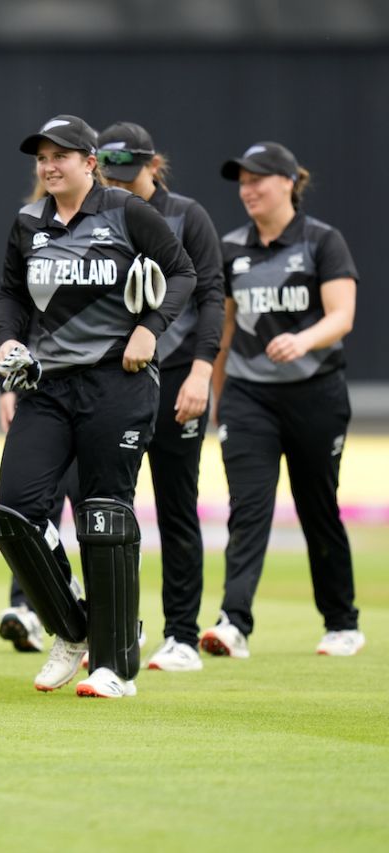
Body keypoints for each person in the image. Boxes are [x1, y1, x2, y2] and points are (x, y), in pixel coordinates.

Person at [0, 114, 195, 699]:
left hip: (116, 383)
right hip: (46, 386)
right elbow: (9, 293)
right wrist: (6, 340)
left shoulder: (127, 212)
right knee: (16, 510)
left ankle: (114, 662)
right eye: (42, 157)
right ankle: (72, 628)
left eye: (62, 156)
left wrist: (150, 328)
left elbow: (182, 272)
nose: (49, 166)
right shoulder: (28, 222)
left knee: (104, 516)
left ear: (90, 162)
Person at [203, 141, 362, 658]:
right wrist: (217, 395)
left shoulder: (322, 241)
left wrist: (304, 340)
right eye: (242, 182)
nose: (247, 190)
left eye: (258, 180)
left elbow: (342, 315)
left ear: (289, 182)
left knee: (318, 508)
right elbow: (225, 329)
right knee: (248, 508)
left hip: (316, 393)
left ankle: (342, 622)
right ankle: (234, 623)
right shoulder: (231, 247)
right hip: (250, 397)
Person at [96, 121, 225, 673]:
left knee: (176, 505)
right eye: (112, 175)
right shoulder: (93, 215)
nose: (121, 186)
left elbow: (212, 296)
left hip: (174, 377)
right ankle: (114, 633)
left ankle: (180, 635)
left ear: (154, 166)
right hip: (110, 380)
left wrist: (201, 374)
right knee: (104, 510)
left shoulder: (186, 215)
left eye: (131, 175)